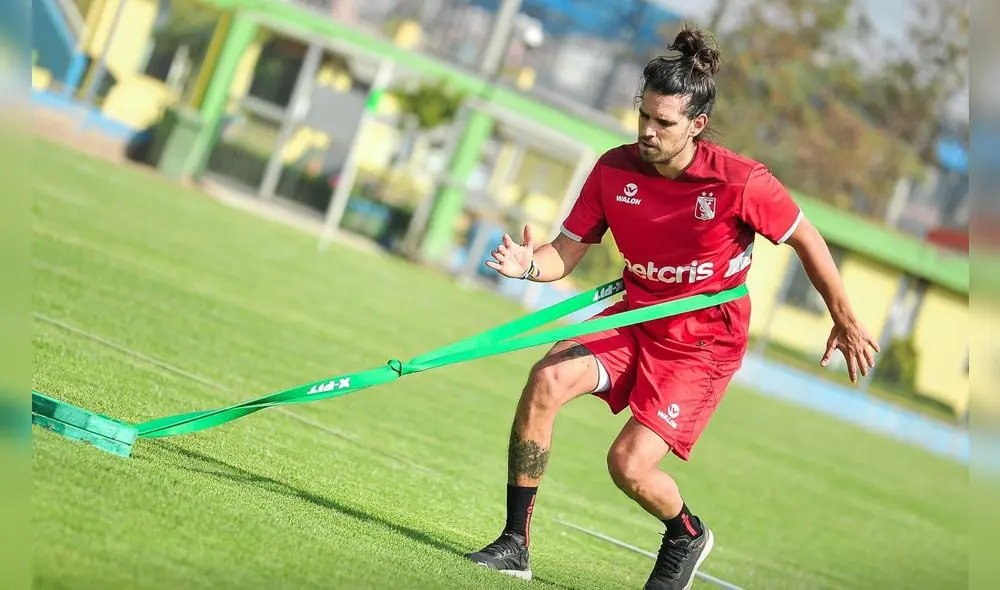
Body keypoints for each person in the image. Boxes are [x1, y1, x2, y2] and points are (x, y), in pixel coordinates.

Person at [463, 25, 880, 590]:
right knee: (546, 379)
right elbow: (565, 253)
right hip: (634, 318)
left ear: (697, 125)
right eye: (644, 118)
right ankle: (515, 544)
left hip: (701, 345)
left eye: (665, 124)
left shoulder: (741, 181)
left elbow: (807, 238)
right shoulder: (614, 169)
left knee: (628, 466)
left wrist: (845, 318)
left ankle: (685, 533)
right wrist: (529, 266)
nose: (649, 133)